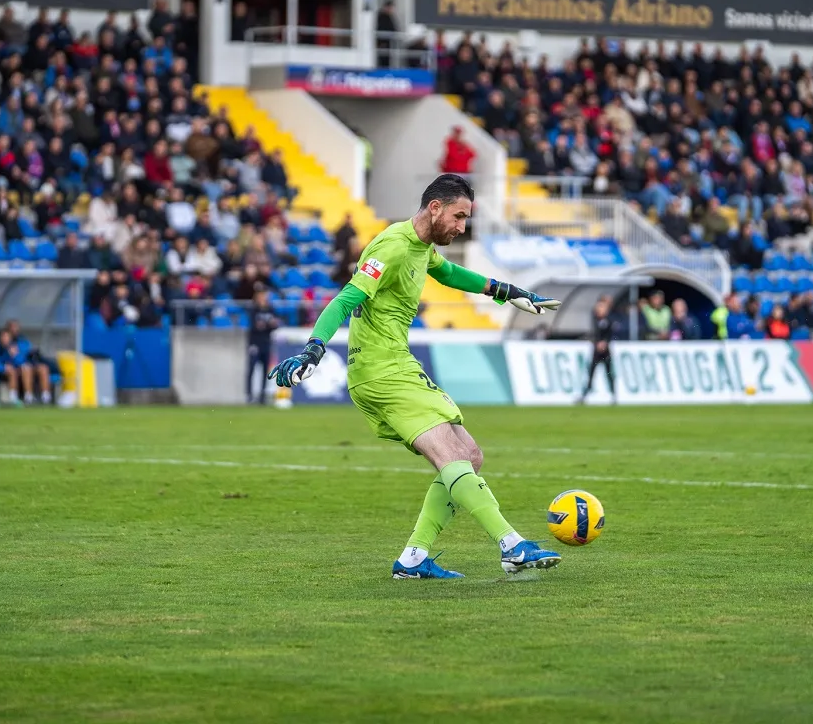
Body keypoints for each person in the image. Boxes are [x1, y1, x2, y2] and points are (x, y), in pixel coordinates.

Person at [269, 174, 563, 579]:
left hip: (397, 366)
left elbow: (449, 274)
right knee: (453, 456)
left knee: (470, 456)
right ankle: (511, 545)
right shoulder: (392, 246)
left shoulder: (421, 247)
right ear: (435, 208)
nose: (461, 227)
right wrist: (314, 347)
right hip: (381, 371)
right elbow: (345, 298)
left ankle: (412, 559)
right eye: (459, 217)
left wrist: (506, 290)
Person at [6, 319, 54, 405]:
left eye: (16, 327)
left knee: (43, 368)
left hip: (29, 364)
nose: (15, 330)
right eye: (13, 327)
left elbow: (28, 353)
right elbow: (10, 358)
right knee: (26, 368)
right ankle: (28, 396)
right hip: (16, 367)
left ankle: (46, 396)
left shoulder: (23, 341)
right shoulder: (6, 342)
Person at [580, 295, 617, 404]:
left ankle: (613, 395)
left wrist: (605, 342)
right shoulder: (595, 320)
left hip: (606, 352)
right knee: (591, 373)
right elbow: (594, 334)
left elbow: (611, 335)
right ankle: (585, 394)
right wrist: (597, 343)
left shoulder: (610, 321)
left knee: (609, 373)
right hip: (596, 352)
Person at [246, 289, 280, 404]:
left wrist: (266, 325)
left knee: (266, 371)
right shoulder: (254, 310)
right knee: (251, 369)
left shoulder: (270, 309)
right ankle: (249, 395)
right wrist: (267, 325)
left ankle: (262, 395)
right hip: (255, 343)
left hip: (266, 343)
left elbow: (275, 325)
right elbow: (255, 326)